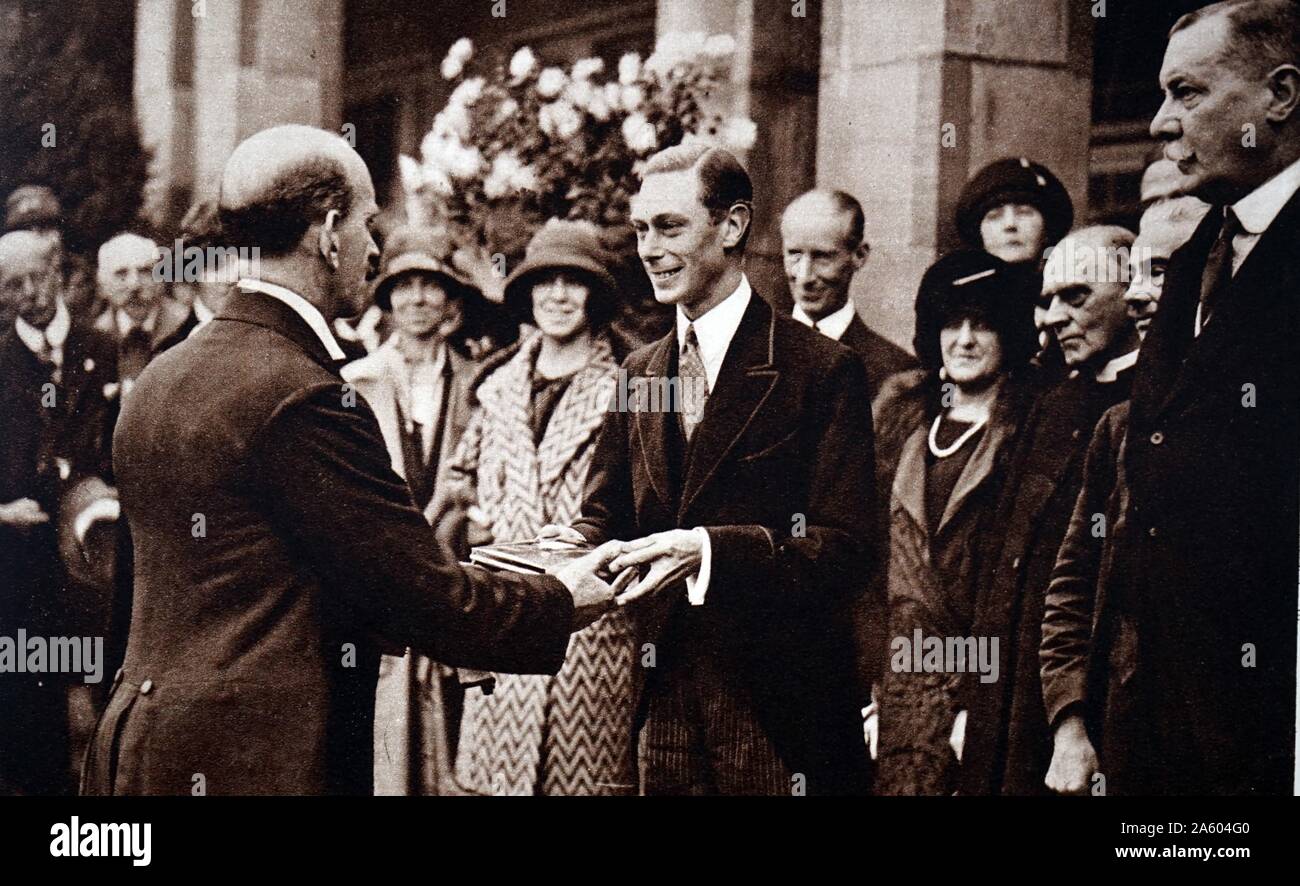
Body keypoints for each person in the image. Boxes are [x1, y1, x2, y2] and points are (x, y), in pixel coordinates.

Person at [80, 124, 628, 796]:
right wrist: (563, 597)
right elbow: (422, 596)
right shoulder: (306, 395)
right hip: (262, 764)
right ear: (329, 231)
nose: (375, 249)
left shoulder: (163, 376)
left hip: (139, 754)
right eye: (371, 225)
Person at [543, 144, 876, 795]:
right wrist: (562, 546)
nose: (649, 248)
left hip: (779, 711)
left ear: (732, 226)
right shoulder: (640, 372)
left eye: (669, 226)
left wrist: (709, 552)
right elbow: (607, 512)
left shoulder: (820, 369)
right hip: (660, 696)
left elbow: (847, 548)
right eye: (641, 229)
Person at [1046, 0, 1300, 795]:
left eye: (1187, 93)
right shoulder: (1197, 258)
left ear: (1281, 96)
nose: (1161, 122)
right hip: (1157, 733)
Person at [441, 219, 639, 796]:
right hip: (506, 619)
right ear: (526, 293)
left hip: (590, 630)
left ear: (595, 293)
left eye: (572, 282)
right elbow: (460, 472)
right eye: (544, 281)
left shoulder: (628, 383)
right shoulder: (498, 383)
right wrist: (476, 511)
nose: (557, 295)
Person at [958, 226, 1140, 796]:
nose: (1051, 317)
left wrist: (1073, 718)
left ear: (1131, 290)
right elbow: (997, 572)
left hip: (1088, 722)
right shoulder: (1049, 406)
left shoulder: (1150, 412)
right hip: (1007, 709)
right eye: (1045, 300)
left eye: (1076, 296)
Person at [1041, 200, 1210, 797]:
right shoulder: (1118, 428)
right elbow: (1071, 589)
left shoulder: (1262, 419)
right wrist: (1069, 722)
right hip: (1126, 749)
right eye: (1134, 274)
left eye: (1160, 271)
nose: (1139, 295)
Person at [870, 249, 1039, 795]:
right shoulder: (900, 421)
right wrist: (871, 688)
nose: (964, 338)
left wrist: (981, 703)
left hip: (990, 679)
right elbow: (869, 567)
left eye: (983, 324)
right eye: (951, 322)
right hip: (900, 683)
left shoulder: (1032, 430)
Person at [343, 224, 495, 795]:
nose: (416, 299)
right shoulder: (355, 384)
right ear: (386, 300)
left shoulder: (480, 383)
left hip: (456, 575)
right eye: (402, 288)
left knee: (454, 729)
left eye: (430, 286)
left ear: (450, 299)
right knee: (385, 725)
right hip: (383, 580)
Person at [0, 230, 118, 795]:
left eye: (37, 277)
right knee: (32, 720)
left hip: (100, 561)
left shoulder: (103, 348)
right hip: (22, 568)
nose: (30, 294)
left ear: (61, 273)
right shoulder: (1, 361)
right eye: (12, 286)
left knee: (100, 703)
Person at [779, 189, 915, 402]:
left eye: (822, 257)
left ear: (859, 255)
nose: (804, 277)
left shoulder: (896, 371)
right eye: (794, 254)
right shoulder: (747, 353)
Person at [92, 232, 190, 391]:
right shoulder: (95, 338)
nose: (134, 284)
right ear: (102, 284)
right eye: (121, 274)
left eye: (144, 271)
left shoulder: (186, 326)